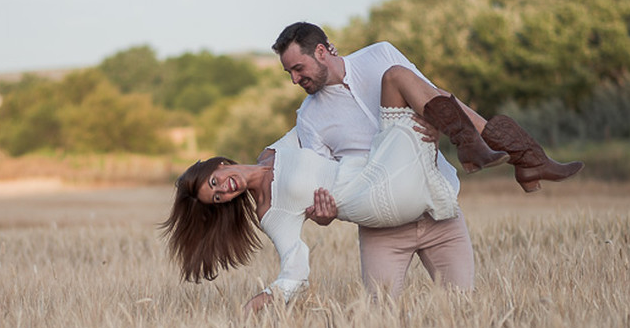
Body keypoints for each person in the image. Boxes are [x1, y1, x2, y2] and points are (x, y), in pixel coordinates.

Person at [272, 21, 582, 298]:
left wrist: (437, 121)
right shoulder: (309, 118)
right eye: (290, 73)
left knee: (461, 312)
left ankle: (524, 155)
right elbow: (327, 180)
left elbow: (433, 96)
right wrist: (324, 214)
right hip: (384, 226)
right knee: (380, 323)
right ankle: (520, 158)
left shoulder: (379, 55)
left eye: (299, 69)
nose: (295, 80)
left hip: (438, 209)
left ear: (323, 51)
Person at [162, 97, 464, 312]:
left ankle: (475, 142)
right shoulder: (269, 211)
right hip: (374, 198)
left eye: (215, 182)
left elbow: (316, 120)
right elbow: (295, 271)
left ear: (219, 164)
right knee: (395, 79)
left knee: (461, 305)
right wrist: (260, 301)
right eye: (217, 199)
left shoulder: (274, 151)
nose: (224, 191)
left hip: (377, 171)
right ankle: (479, 142)